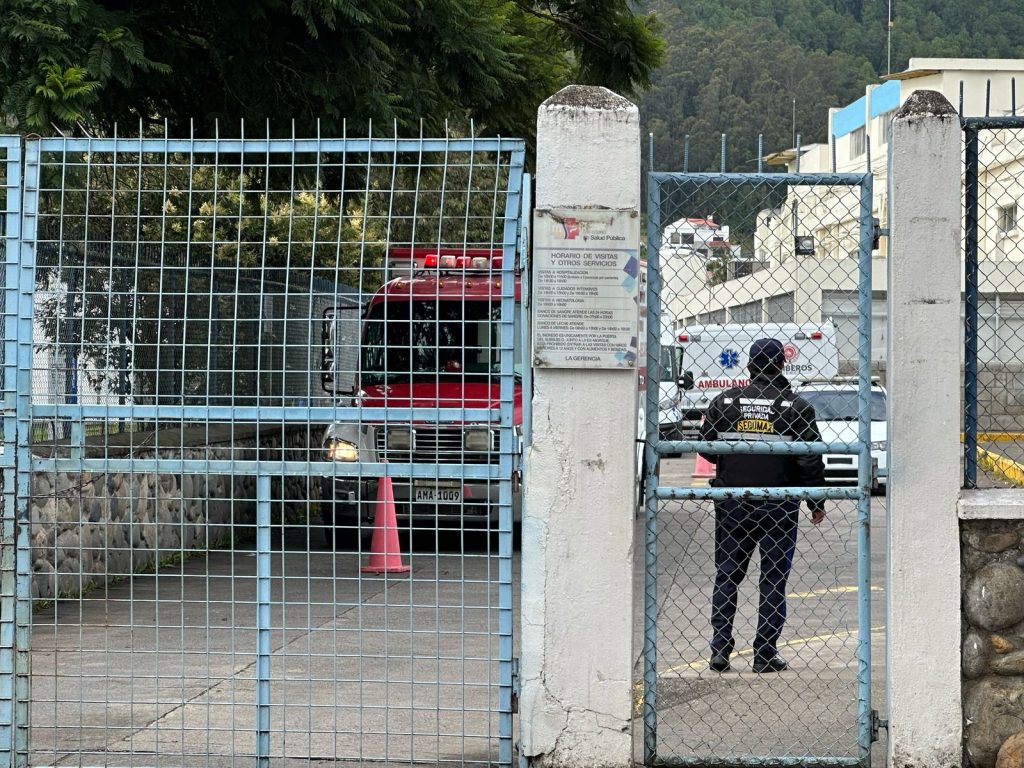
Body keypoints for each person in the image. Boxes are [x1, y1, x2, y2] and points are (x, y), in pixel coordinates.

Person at [698, 338, 826, 674]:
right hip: (779, 506)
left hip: (733, 503)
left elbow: (708, 450)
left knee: (727, 575)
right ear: (781, 365)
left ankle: (720, 649)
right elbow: (809, 461)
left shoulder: (724, 402)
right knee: (772, 580)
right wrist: (815, 501)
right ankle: (764, 653)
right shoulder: (797, 407)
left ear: (750, 366)